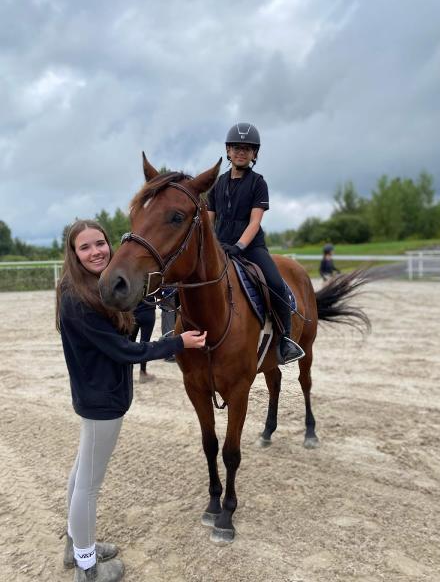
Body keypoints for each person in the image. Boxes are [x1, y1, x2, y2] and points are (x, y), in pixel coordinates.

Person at [56, 219, 206, 582]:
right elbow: (125, 351)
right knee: (89, 485)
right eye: (86, 247)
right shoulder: (78, 297)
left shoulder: (96, 287)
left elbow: (126, 328)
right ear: (74, 254)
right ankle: (87, 567)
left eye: (100, 244)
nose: (96, 252)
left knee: (81, 475)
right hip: (101, 401)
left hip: (99, 396)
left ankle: (76, 545)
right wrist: (177, 343)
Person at [207, 122, 304, 365]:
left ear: (254, 154)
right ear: (228, 151)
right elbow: (209, 221)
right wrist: (211, 246)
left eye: (247, 148)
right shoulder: (217, 184)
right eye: (236, 147)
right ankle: (175, 333)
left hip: (250, 248)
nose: (241, 152)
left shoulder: (258, 183)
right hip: (220, 249)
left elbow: (254, 222)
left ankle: (285, 340)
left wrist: (239, 246)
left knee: (275, 283)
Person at [130, 295, 157, 380]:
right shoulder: (150, 281)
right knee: (145, 343)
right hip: (148, 311)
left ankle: (129, 372)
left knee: (129, 343)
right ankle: (142, 372)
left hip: (132, 311)